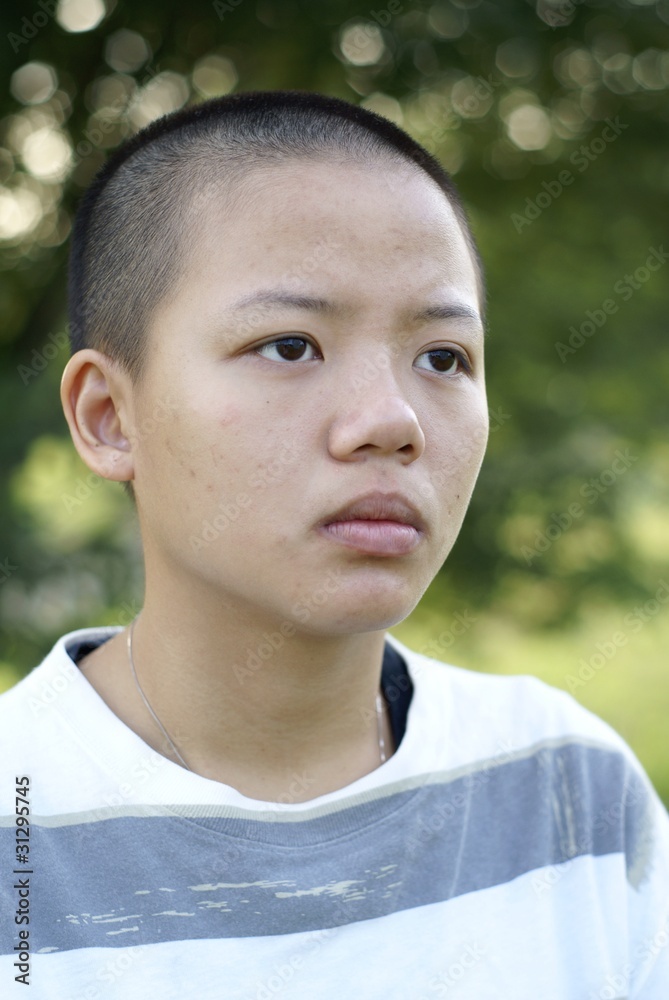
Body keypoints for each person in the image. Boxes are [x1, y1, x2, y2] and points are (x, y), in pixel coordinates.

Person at [1, 90, 667, 999]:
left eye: (441, 357)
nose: (390, 421)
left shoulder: (568, 792)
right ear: (110, 417)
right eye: (289, 345)